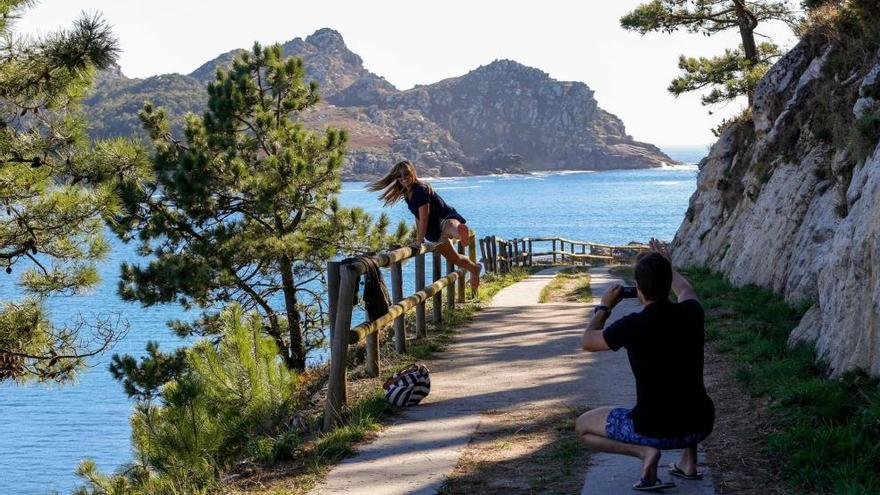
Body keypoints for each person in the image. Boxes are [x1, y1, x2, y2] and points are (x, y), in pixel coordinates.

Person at [575, 238, 714, 492]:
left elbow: (588, 340)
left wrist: (604, 307)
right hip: (700, 424)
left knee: (583, 425)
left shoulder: (632, 325)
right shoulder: (693, 313)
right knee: (683, 376)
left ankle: (644, 453)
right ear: (667, 282)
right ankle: (688, 463)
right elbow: (686, 290)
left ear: (637, 288)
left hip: (654, 430)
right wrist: (667, 267)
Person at [368, 160, 482, 290]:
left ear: (412, 172)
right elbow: (418, 217)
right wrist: (420, 238)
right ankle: (475, 269)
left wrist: (418, 243)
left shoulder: (420, 190)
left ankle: (461, 234)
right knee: (454, 258)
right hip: (434, 231)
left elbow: (424, 218)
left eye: (406, 174)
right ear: (396, 178)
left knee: (451, 227)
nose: (403, 177)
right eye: (399, 176)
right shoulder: (407, 193)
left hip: (443, 217)